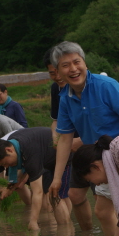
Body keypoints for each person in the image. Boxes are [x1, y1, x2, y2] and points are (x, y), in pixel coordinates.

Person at [48, 41, 119, 236]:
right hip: (102, 163)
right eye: (65, 65)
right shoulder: (65, 99)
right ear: (58, 72)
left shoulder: (106, 86)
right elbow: (65, 139)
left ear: (85, 63)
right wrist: (57, 178)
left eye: (76, 62)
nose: (73, 69)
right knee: (104, 212)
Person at [0, 127, 71, 230]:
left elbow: (37, 191)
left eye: (5, 163)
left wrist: (33, 222)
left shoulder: (28, 151)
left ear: (9, 150)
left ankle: (67, 235)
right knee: (52, 195)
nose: (6, 167)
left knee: (55, 195)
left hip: (64, 156)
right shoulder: (12, 145)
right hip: (47, 160)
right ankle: (66, 227)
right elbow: (20, 173)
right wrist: (9, 188)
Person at [43, 48, 82, 223]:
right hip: (68, 145)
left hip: (89, 143)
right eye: (52, 73)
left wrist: (81, 140)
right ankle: (80, 232)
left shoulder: (84, 86)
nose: (57, 77)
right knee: (73, 192)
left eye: (59, 71)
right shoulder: (56, 90)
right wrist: (56, 139)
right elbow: (56, 121)